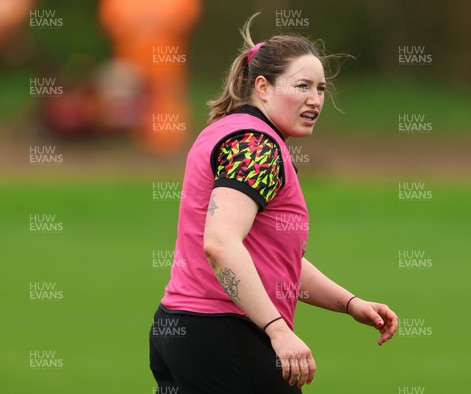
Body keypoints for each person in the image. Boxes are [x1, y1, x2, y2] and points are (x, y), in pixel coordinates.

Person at [149, 13, 398, 394]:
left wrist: (349, 303)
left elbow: (273, 260)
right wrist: (278, 330)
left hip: (187, 331)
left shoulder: (229, 131)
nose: (315, 100)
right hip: (225, 335)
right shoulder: (256, 147)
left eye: (321, 89)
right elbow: (220, 244)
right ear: (262, 87)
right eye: (302, 86)